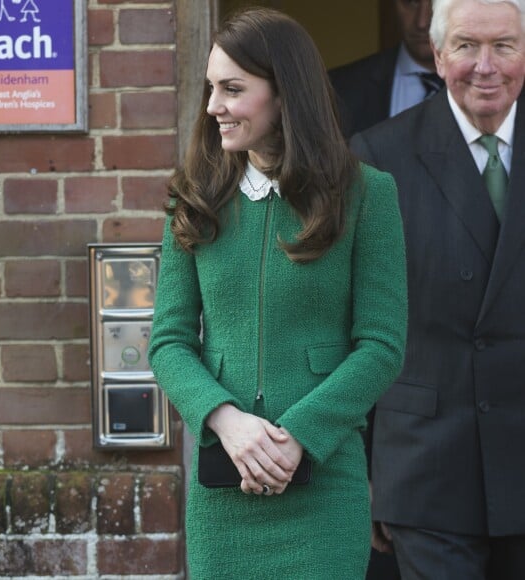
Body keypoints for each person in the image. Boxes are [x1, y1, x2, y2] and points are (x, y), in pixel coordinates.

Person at [147, 8, 407, 579]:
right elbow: (167, 341)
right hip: (223, 486)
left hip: (324, 485)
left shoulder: (368, 196)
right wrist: (226, 421)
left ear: (285, 94)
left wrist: (299, 437)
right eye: (211, 87)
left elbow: (382, 344)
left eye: (233, 89)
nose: (214, 105)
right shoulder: (193, 198)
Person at [351, 0, 525, 578]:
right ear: (437, 51)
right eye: (467, 46)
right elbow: (354, 322)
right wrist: (365, 464)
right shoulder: (378, 156)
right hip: (425, 466)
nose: (486, 66)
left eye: (504, 46)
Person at [329, 0, 441, 137]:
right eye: (410, 2)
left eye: (436, 3)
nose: (422, 22)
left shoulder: (474, 87)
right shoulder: (336, 89)